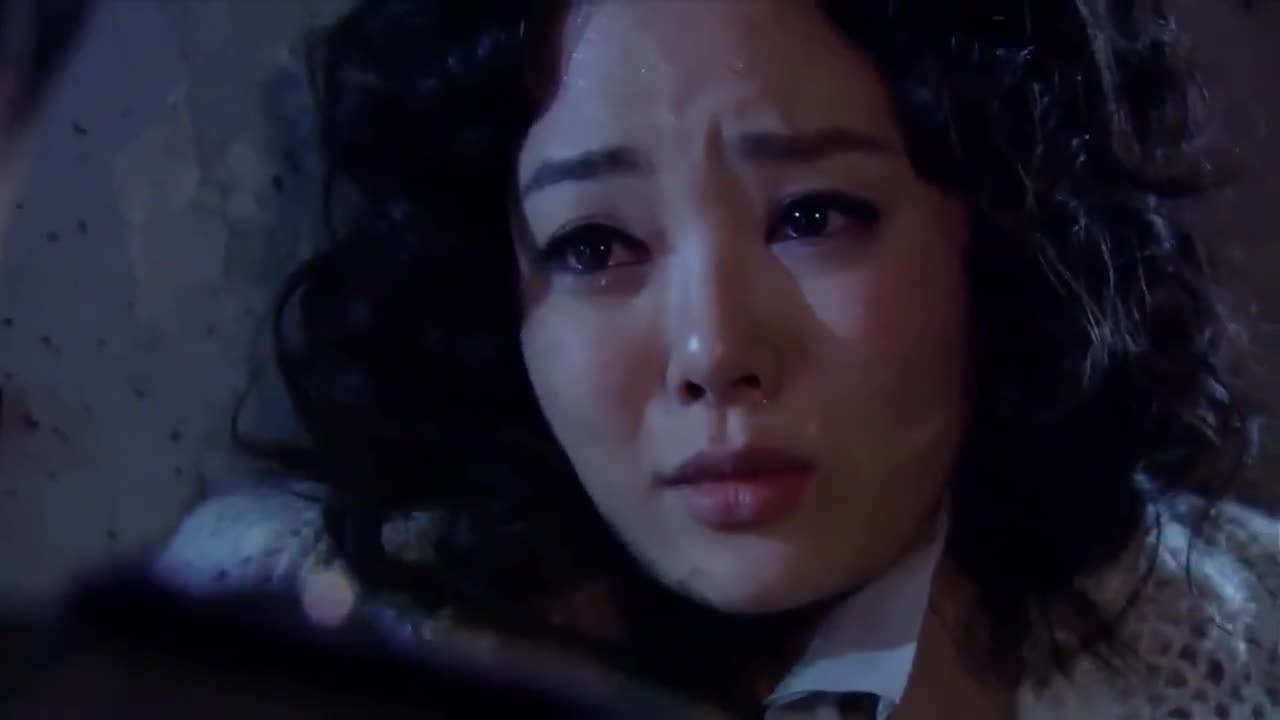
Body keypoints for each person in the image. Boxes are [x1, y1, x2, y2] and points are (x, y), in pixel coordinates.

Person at [156, 1, 1280, 718]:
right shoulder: (279, 626)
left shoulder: (1231, 633)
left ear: (989, 231)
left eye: (815, 217)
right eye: (593, 246)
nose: (714, 351)